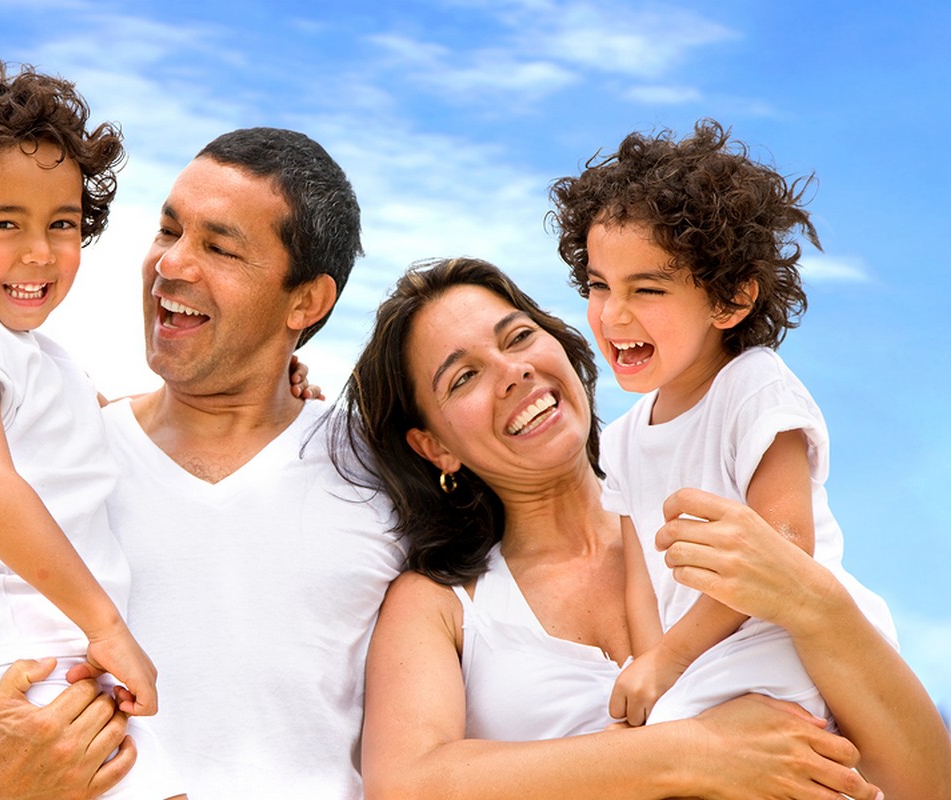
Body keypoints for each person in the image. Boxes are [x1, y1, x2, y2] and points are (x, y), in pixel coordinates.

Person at [0, 126, 407, 799]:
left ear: (307, 301)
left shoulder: (387, 479)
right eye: (168, 232)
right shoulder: (49, 462)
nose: (172, 265)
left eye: (219, 247)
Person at [339, 256, 950, 798]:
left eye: (520, 337)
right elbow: (406, 786)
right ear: (434, 446)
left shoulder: (715, 510)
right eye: (463, 377)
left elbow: (925, 785)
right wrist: (695, 752)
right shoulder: (442, 604)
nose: (513, 372)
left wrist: (811, 600)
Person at [0, 53, 184, 799]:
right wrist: (106, 625)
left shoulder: (33, 356)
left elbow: (106, 428)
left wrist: (279, 387)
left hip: (42, 649)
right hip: (18, 653)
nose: (39, 252)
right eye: (4, 222)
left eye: (62, 223)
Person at [547, 120, 894, 729]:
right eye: (599, 286)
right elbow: (642, 583)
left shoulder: (752, 387)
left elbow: (785, 548)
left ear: (730, 300)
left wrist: (672, 662)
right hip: (703, 658)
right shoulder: (625, 439)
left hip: (787, 636)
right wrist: (652, 664)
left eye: (648, 288)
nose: (613, 314)